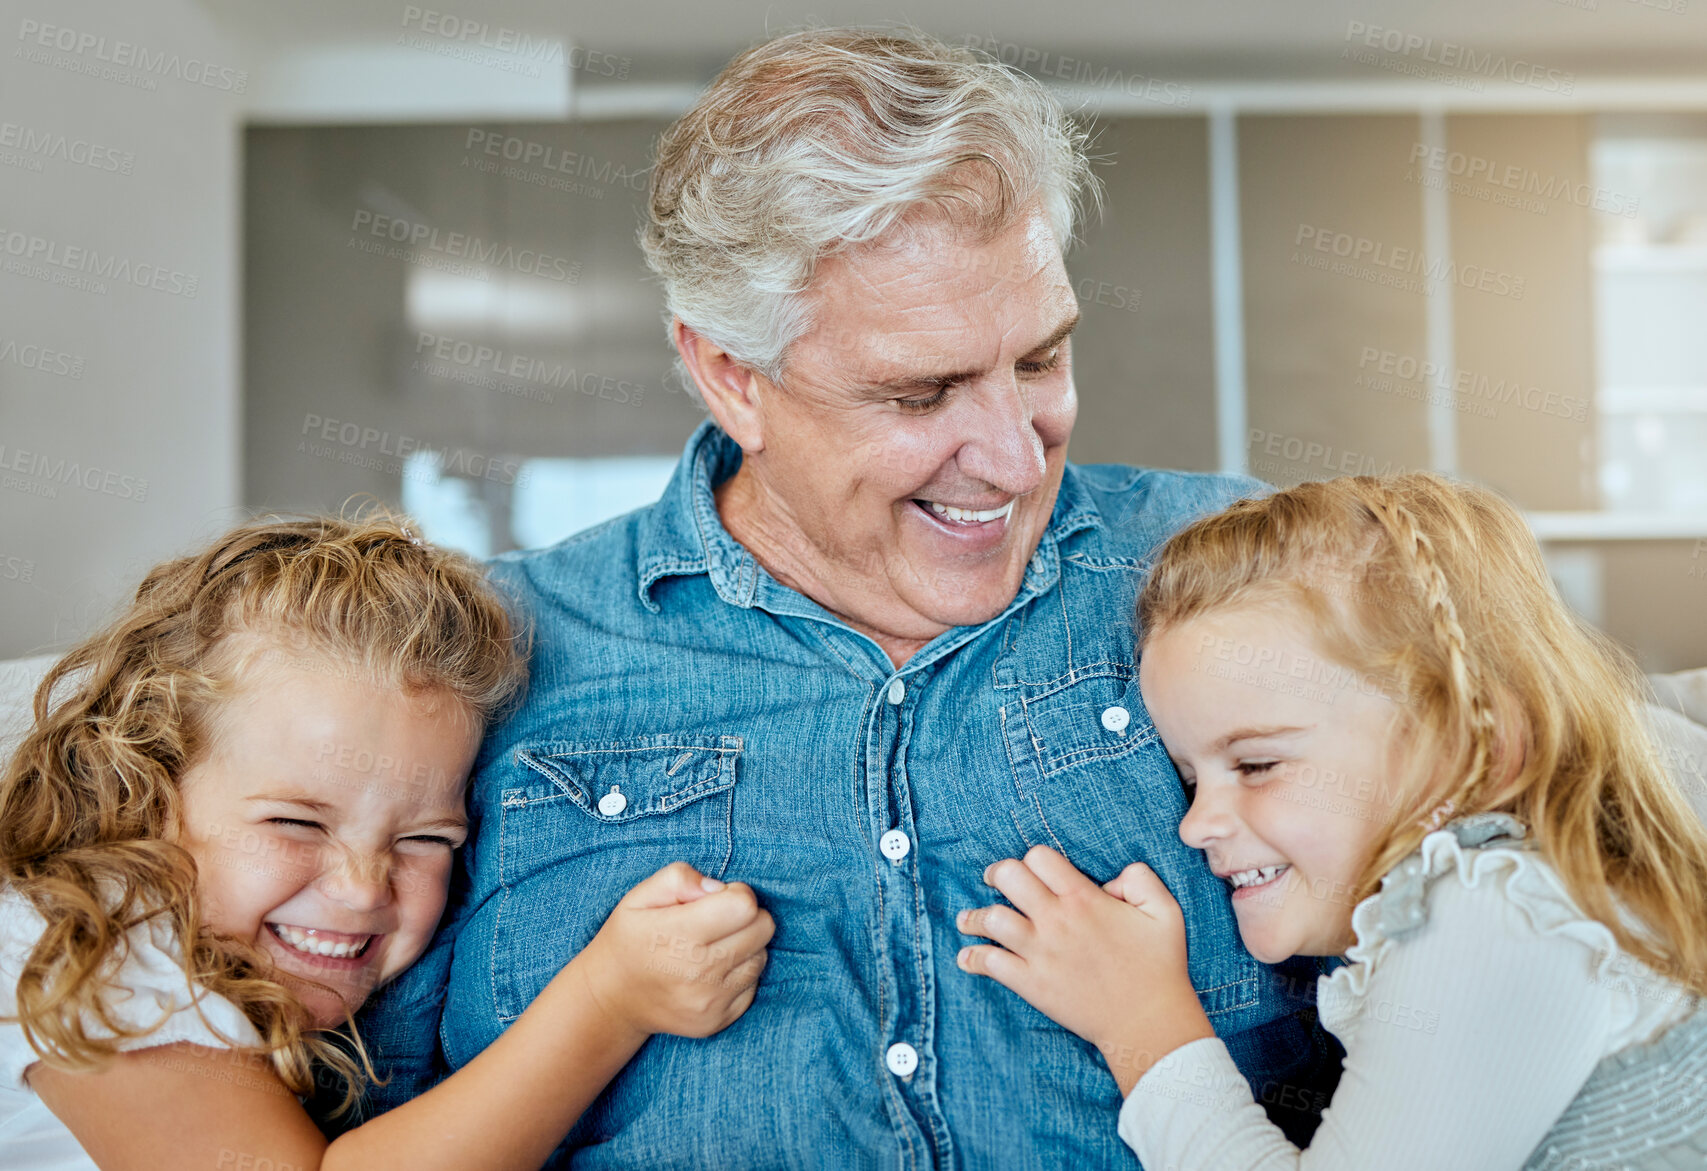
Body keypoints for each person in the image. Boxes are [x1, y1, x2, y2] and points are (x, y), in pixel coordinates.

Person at [352, 27, 1342, 1168]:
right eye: (921, 394)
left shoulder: (1245, 569)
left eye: (1039, 362)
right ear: (732, 375)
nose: (1019, 461)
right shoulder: (496, 657)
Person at [957, 473, 1707, 1169]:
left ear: (1471, 743)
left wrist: (1143, 1022)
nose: (1194, 825)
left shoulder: (1504, 906)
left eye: (1255, 764)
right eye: (1189, 778)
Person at [0, 512, 771, 1170]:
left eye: (425, 837)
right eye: (297, 822)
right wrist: (606, 1001)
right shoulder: (86, 947)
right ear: (144, 785)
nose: (366, 886)